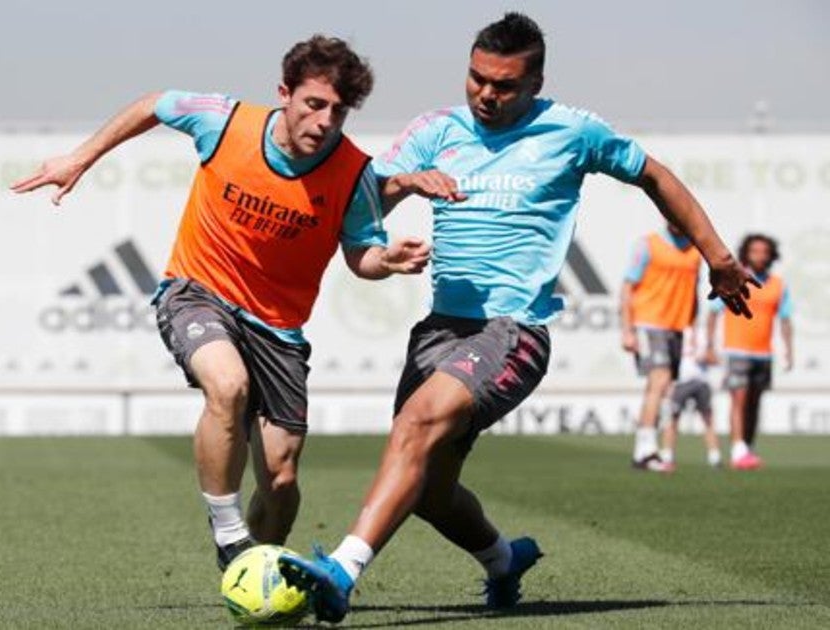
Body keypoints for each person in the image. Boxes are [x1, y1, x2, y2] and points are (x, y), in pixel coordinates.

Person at [276, 13, 757, 623]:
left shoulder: (573, 131)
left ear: (535, 83)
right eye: (477, 79)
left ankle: (341, 571)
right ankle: (505, 560)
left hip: (513, 332)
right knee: (427, 490)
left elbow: (654, 175)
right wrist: (404, 182)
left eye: (504, 85)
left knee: (418, 426)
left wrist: (717, 258)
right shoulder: (437, 129)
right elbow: (362, 192)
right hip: (439, 331)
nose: (486, 94)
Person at [10, 35, 430, 571]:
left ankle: (254, 578)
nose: (324, 121)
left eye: (339, 112)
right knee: (226, 385)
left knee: (280, 481)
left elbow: (361, 256)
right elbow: (154, 103)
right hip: (197, 291)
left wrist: (386, 261)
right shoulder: (226, 122)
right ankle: (230, 534)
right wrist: (80, 158)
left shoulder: (354, 174)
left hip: (278, 329)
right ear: (284, 93)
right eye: (314, 104)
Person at [705, 234, 794, 471]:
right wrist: (709, 345)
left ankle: (748, 447)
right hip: (737, 350)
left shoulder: (777, 284)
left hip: (763, 353)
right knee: (739, 400)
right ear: (746, 252)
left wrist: (788, 350)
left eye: (764, 251)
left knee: (754, 402)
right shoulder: (734, 279)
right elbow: (713, 312)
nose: (760, 256)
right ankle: (737, 449)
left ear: (771, 254)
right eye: (755, 251)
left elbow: (785, 320)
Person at [620, 223, 702, 471]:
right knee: (659, 379)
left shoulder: (696, 251)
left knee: (664, 387)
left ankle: (645, 450)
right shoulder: (648, 244)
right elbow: (627, 288)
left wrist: (693, 327)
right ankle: (646, 450)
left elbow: (694, 292)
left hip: (676, 326)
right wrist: (627, 330)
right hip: (648, 321)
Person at [659, 327, 722, 471]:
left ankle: (715, 457)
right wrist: (667, 382)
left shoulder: (704, 333)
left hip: (701, 381)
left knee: (708, 419)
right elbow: (668, 359)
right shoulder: (675, 332)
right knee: (673, 418)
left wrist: (705, 356)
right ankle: (667, 456)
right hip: (680, 382)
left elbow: (716, 359)